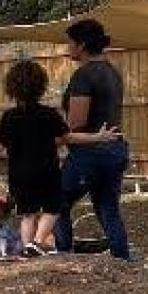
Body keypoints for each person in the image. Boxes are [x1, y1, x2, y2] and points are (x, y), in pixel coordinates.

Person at [0, 60, 119, 256]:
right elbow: (68, 137)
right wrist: (98, 137)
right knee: (54, 208)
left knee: (28, 214)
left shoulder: (9, 117)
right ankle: (36, 243)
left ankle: (28, 250)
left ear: (12, 89)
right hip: (45, 172)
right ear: (41, 87)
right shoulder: (48, 114)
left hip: (18, 175)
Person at [54, 19, 131, 259]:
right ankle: (122, 260)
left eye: (70, 43)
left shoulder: (84, 75)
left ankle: (64, 257)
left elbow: (76, 122)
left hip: (91, 153)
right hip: (115, 150)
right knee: (107, 207)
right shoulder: (112, 72)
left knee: (56, 202)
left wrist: (51, 137)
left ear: (82, 44)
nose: (68, 48)